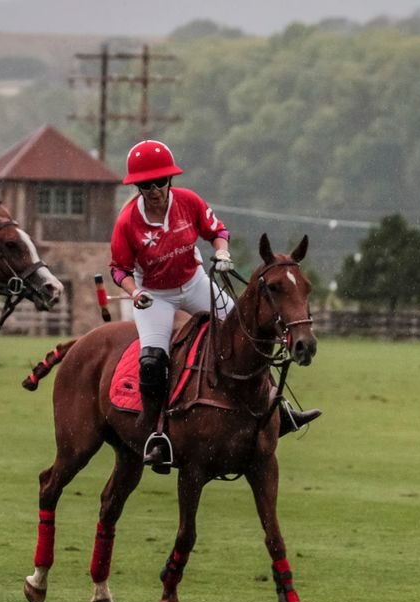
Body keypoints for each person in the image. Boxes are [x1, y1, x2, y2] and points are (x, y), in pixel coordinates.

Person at [108, 139, 320, 469]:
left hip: (194, 283)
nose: (153, 190)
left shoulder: (188, 202)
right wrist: (135, 291)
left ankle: (279, 408)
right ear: (137, 186)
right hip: (155, 296)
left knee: (247, 336)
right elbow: (119, 268)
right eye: (145, 184)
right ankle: (157, 433)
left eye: (159, 182)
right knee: (152, 362)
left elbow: (216, 229)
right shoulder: (127, 223)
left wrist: (221, 252)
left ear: (170, 181)